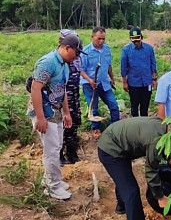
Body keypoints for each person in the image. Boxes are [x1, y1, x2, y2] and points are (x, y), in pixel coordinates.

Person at [27, 34, 86, 200]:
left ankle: (52, 180)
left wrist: (66, 112)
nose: (77, 56)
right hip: (45, 111)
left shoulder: (65, 64)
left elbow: (62, 89)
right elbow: (35, 89)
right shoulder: (48, 62)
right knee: (52, 150)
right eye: (76, 52)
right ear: (67, 48)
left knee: (58, 145)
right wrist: (40, 118)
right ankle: (52, 187)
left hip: (57, 111)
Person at [98, 117, 171, 220]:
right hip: (110, 150)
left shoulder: (163, 126)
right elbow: (151, 171)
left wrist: (169, 158)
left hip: (117, 141)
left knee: (123, 178)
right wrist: (160, 197)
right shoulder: (155, 141)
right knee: (131, 191)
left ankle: (122, 206)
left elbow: (163, 144)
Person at [80, 27, 120, 139]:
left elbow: (109, 65)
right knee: (93, 108)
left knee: (114, 105)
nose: (101, 41)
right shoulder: (86, 51)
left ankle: (115, 128)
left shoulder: (107, 49)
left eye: (103, 39)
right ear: (92, 37)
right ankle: (96, 129)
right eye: (99, 39)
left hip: (104, 83)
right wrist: (90, 80)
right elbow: (81, 70)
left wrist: (112, 78)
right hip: (90, 85)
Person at [120, 27, 157, 117]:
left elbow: (153, 63)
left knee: (145, 106)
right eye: (134, 41)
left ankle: (144, 125)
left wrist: (154, 79)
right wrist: (124, 82)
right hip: (133, 83)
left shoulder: (149, 49)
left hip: (147, 82)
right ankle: (135, 125)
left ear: (141, 37)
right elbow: (123, 67)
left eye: (138, 40)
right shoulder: (126, 50)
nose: (136, 43)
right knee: (134, 106)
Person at [58, 29, 82, 165]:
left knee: (73, 125)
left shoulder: (76, 58)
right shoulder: (57, 61)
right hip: (62, 99)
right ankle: (60, 155)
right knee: (60, 126)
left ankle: (72, 153)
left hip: (74, 97)